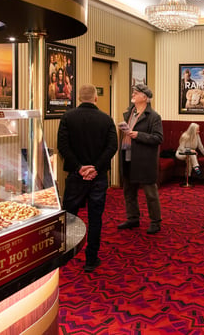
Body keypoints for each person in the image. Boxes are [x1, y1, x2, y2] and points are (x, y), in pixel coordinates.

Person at [57, 84, 118, 273]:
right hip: (98, 177)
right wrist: (95, 168)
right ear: (95, 98)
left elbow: (63, 146)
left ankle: (64, 255)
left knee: (69, 215)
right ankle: (91, 259)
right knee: (95, 217)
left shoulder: (68, 117)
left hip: (76, 175)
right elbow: (112, 147)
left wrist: (79, 167)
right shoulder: (106, 119)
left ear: (78, 99)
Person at [118, 84, 164, 235]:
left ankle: (155, 222)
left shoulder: (154, 117)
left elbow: (158, 138)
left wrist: (138, 135)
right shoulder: (129, 113)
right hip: (127, 156)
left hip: (144, 160)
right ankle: (133, 218)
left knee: (150, 193)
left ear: (144, 97)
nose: (133, 94)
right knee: (128, 191)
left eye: (136, 93)